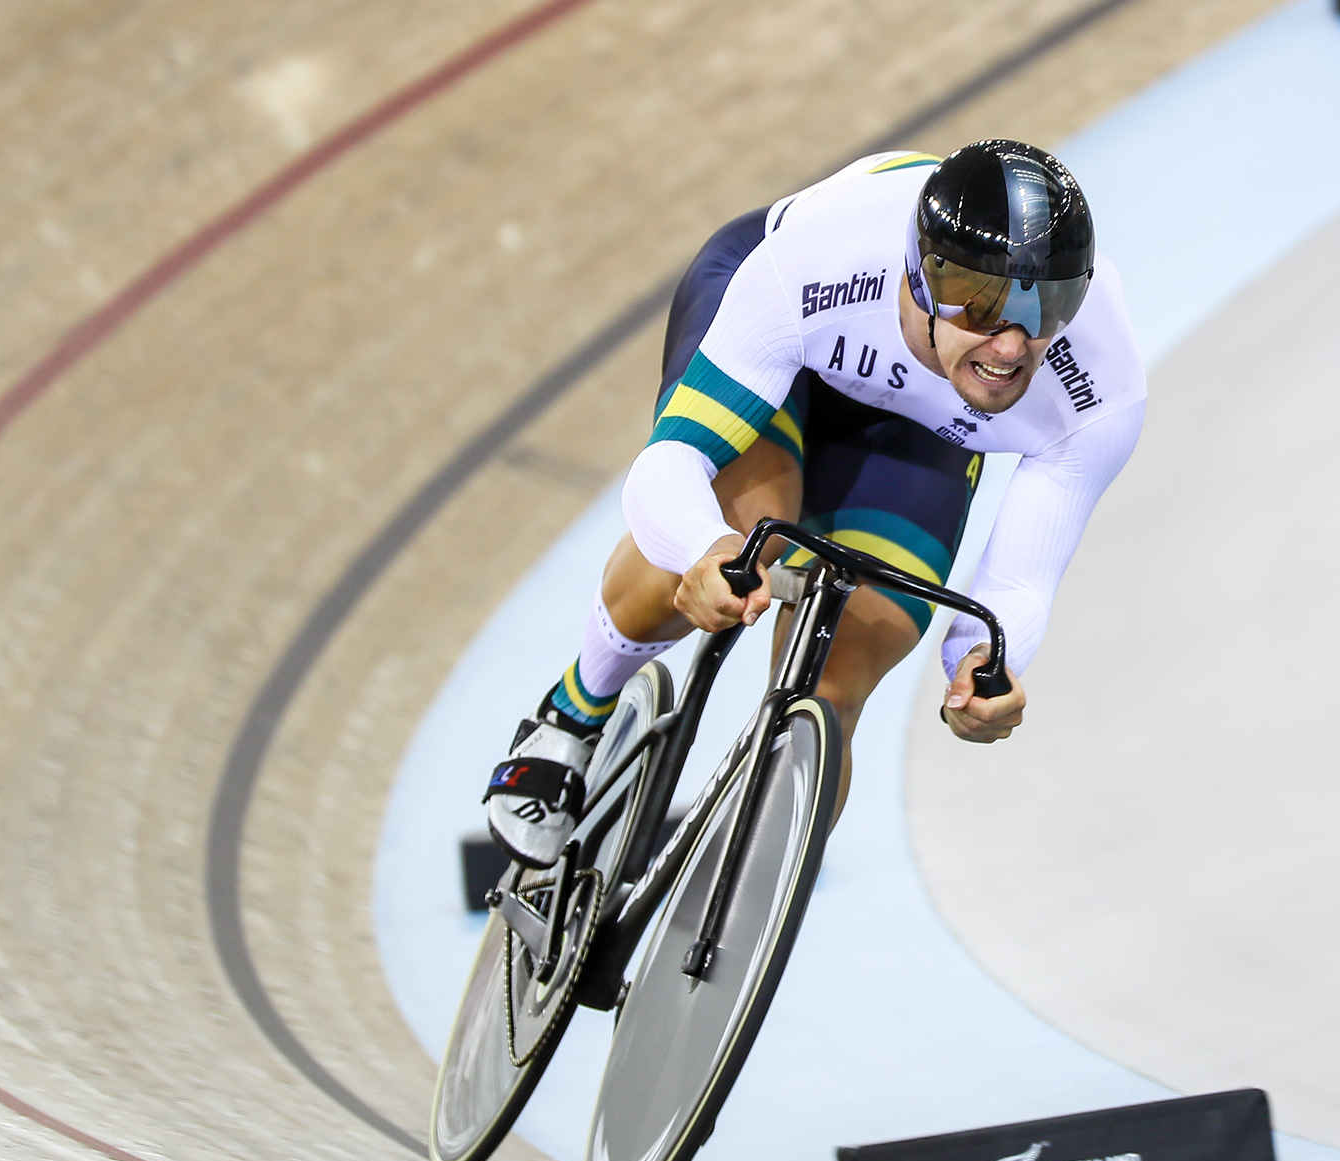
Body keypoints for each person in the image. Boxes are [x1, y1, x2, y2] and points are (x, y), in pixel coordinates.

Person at [486, 139, 1147, 868]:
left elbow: (1019, 583)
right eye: (981, 301)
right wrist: (701, 552)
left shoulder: (1100, 386)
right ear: (922, 277)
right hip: (792, 341)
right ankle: (573, 713)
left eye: (1047, 304)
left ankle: (747, 899)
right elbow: (671, 463)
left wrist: (985, 666)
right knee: (748, 538)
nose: (1010, 343)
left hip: (919, 421)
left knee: (841, 680)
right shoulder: (817, 262)